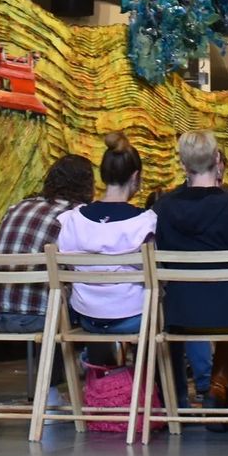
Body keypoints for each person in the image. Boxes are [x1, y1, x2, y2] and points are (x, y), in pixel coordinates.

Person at [150, 130, 228, 407]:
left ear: (183, 164)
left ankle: (176, 402)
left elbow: (160, 258)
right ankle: (220, 385)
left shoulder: (162, 209)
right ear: (217, 159)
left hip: (179, 313)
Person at [53, 135, 156, 359]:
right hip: (133, 317)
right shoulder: (144, 223)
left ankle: (101, 372)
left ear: (103, 175)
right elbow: (156, 274)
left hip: (86, 318)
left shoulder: (73, 219)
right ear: (135, 177)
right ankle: (153, 379)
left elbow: (68, 268)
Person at [0, 154, 95, 335]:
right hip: (37, 316)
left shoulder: (17, 207)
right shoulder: (74, 215)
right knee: (92, 301)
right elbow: (83, 268)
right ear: (87, 185)